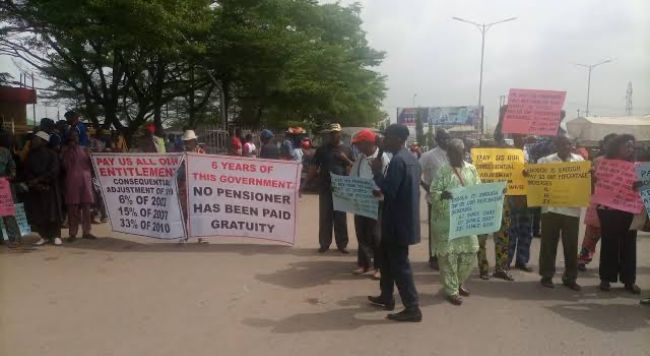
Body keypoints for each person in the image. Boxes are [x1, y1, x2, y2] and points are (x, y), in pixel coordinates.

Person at [367, 124, 421, 322]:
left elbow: (389, 191)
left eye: (387, 137)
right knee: (387, 261)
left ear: (398, 139)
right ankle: (386, 297)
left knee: (400, 266)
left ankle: (413, 308)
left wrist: (377, 173)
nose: (384, 141)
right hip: (402, 220)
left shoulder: (399, 161)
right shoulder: (411, 159)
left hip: (397, 223)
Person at [431, 139, 481, 305]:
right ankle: (451, 290)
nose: (454, 156)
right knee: (448, 258)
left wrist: (496, 193)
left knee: (470, 253)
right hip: (446, 223)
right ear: (448, 154)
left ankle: (458, 282)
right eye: (451, 153)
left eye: (458, 153)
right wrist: (442, 195)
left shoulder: (472, 170)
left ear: (464, 153)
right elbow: (433, 193)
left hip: (466, 221)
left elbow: (479, 190)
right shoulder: (443, 171)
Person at [538, 134, 583, 291]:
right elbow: (537, 181)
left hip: (572, 209)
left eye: (569, 144)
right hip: (551, 209)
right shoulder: (545, 161)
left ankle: (570, 278)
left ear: (572, 145)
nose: (566, 147)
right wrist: (530, 176)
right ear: (556, 146)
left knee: (571, 245)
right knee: (548, 244)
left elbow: (584, 182)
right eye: (563, 144)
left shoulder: (580, 162)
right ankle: (547, 276)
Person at [597, 134, 641, 294]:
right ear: (617, 147)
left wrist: (641, 185)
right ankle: (606, 279)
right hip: (608, 211)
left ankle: (629, 280)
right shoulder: (604, 164)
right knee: (609, 244)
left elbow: (644, 191)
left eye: (632, 147)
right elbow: (596, 182)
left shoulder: (637, 167)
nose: (630, 149)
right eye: (627, 146)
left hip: (629, 212)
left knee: (629, 246)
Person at [350, 129, 390, 279]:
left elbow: (388, 180)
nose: (358, 148)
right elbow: (353, 176)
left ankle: (379, 267)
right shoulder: (360, 158)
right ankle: (364, 264)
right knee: (361, 233)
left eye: (359, 144)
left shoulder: (383, 158)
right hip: (361, 201)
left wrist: (379, 190)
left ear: (368, 143)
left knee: (376, 235)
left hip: (376, 202)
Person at [307, 123, 353, 254]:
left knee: (340, 218)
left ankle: (342, 244)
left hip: (341, 189)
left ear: (340, 134)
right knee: (325, 217)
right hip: (325, 188)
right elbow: (314, 166)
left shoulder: (347, 149)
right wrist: (305, 183)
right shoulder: (322, 149)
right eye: (332, 133)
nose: (334, 135)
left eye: (337, 132)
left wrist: (346, 160)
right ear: (329, 135)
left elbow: (354, 167)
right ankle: (324, 244)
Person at [577, 133, 617, 271]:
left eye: (615, 143)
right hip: (598, 202)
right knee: (592, 234)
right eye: (609, 143)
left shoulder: (625, 165)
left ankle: (609, 264)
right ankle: (583, 259)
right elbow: (590, 183)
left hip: (617, 205)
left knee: (612, 236)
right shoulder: (598, 161)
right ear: (604, 145)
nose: (612, 146)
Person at [418, 128, 451, 270]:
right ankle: (434, 258)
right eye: (443, 138)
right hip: (435, 200)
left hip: (453, 199)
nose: (446, 141)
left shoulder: (455, 154)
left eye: (448, 138)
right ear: (437, 140)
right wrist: (426, 187)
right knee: (436, 230)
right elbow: (415, 172)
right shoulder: (428, 156)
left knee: (449, 229)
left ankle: (448, 256)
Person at [23, 131, 63, 246]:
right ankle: (44, 236)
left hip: (49, 188)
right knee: (38, 213)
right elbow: (27, 170)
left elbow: (54, 171)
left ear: (44, 141)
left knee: (52, 213)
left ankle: (55, 235)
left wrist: (41, 180)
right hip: (35, 189)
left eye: (36, 139)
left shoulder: (52, 154)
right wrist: (34, 182)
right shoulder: (30, 155)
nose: (33, 141)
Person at [61, 130, 97, 242]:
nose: (74, 138)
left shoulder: (85, 150)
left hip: (85, 181)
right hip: (72, 182)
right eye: (72, 136)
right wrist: (66, 151)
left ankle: (87, 231)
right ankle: (72, 233)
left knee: (86, 208)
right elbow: (64, 166)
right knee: (73, 208)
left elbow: (93, 164)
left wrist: (91, 155)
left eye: (76, 136)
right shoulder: (65, 151)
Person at [508, 134, 533, 272]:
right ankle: (506, 261)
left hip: (527, 197)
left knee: (526, 230)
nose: (521, 139)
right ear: (514, 138)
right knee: (511, 230)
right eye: (518, 136)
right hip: (512, 196)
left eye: (523, 136)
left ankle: (522, 261)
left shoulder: (530, 153)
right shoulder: (507, 154)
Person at [178, 130, 207, 244]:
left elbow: (206, 168)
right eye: (186, 141)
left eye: (189, 141)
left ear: (194, 141)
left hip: (198, 186)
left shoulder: (202, 152)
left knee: (199, 211)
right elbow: (178, 170)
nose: (187, 143)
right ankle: (184, 236)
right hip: (185, 185)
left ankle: (200, 236)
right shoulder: (182, 154)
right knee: (185, 211)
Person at [0, 131, 20, 247]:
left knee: (7, 213)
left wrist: (10, 176)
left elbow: (12, 167)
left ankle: (14, 238)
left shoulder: (5, 152)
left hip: (3, 185)